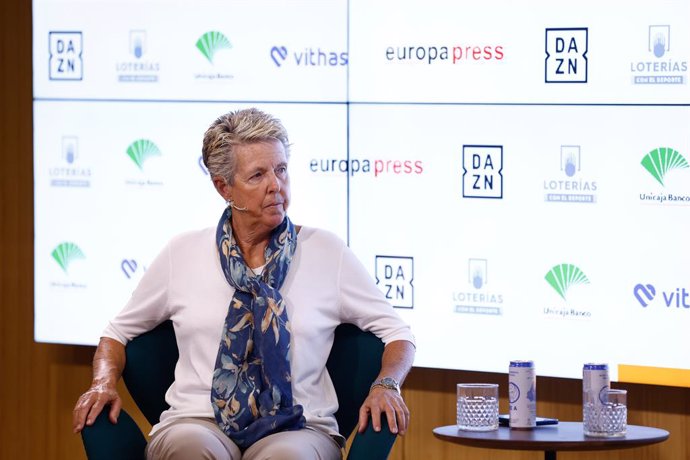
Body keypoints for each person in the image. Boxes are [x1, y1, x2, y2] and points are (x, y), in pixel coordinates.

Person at [72, 108, 416, 459]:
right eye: (257, 175)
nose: (275, 185)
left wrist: (386, 384)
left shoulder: (327, 253)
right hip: (196, 421)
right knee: (190, 450)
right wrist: (103, 383)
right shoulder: (182, 253)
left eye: (281, 170)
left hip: (297, 427)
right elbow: (116, 333)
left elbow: (397, 333)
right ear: (224, 187)